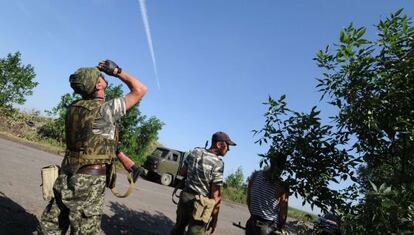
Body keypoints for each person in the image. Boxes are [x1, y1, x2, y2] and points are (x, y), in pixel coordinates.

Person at [40, 59, 147, 234]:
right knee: (86, 230)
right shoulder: (104, 111)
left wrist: (127, 162)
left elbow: (96, 140)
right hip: (88, 182)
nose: (104, 77)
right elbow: (140, 90)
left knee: (52, 226)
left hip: (66, 175)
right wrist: (118, 71)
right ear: (98, 85)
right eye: (101, 76)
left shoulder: (73, 108)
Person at [171, 131, 236, 235]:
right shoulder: (218, 163)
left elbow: (183, 172)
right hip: (201, 204)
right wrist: (215, 218)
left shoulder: (195, 152)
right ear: (219, 144)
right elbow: (215, 194)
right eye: (227, 145)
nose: (228, 149)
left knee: (178, 229)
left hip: (185, 198)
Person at [245, 158, 289, 235]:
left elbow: (249, 200)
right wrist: (279, 227)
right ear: (282, 167)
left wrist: (255, 216)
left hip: (251, 223)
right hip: (267, 228)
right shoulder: (282, 186)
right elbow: (282, 216)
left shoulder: (255, 175)